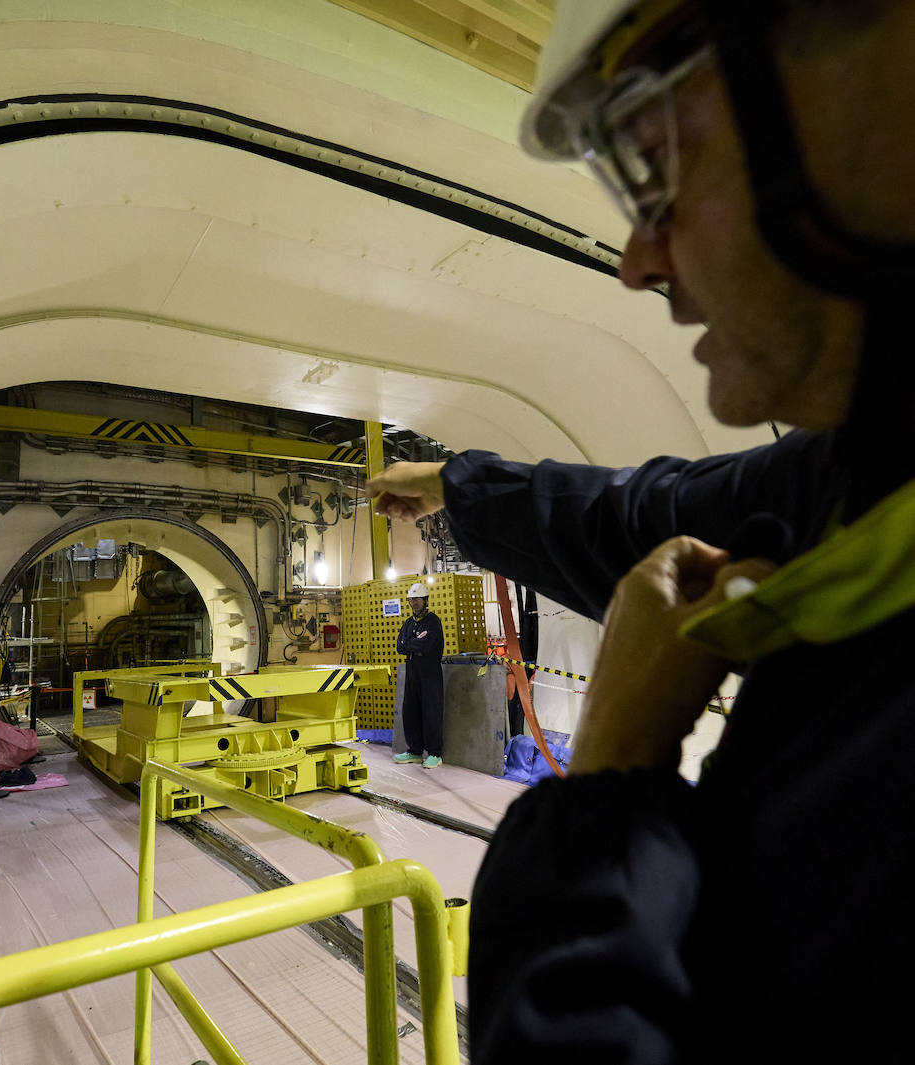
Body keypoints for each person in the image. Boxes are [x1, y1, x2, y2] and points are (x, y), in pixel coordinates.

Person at [366, 0, 915, 1060]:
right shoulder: (867, 480)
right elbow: (641, 515)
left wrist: (611, 780)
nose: (638, 260)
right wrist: (461, 490)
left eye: (656, 161)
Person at [394, 583, 445, 768]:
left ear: (425, 601)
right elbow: (400, 646)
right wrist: (413, 643)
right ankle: (414, 751)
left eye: (417, 600)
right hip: (412, 671)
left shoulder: (432, 622)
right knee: (411, 711)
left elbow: (425, 645)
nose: (414, 603)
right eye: (411, 600)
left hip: (429, 672)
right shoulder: (408, 623)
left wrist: (412, 644)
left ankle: (435, 753)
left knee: (431, 712)